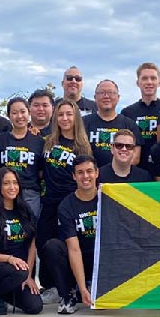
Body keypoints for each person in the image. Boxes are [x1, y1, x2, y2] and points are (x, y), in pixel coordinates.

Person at [38, 100, 91, 289]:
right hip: (50, 201)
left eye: (69, 114)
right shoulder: (48, 140)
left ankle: (72, 285)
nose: (65, 118)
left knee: (67, 245)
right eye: (61, 115)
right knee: (43, 242)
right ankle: (50, 286)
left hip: (69, 203)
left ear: (75, 117)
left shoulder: (82, 145)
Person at [0, 168, 44, 315]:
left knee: (35, 307)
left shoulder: (25, 211)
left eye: (15, 183)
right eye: (6, 183)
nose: (12, 187)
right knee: (19, 271)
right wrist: (10, 259)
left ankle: (2, 294)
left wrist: (29, 276)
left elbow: (33, 244)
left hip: (20, 271)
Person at [41, 155, 100, 314]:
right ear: (74, 176)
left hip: (101, 260)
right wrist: (81, 287)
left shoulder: (107, 198)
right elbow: (74, 249)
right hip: (78, 258)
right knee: (52, 247)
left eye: (89, 171)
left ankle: (97, 286)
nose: (85, 176)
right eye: (80, 172)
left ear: (97, 173)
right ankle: (69, 294)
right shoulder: (66, 206)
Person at [0, 97, 45, 215]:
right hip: (5, 192)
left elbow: (41, 170)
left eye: (23, 112)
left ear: (29, 113)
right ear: (8, 116)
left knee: (30, 229)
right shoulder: (0, 139)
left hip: (30, 193)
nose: (19, 116)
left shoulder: (38, 141)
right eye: (14, 113)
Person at [83, 79, 139, 166]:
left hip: (120, 177)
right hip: (91, 177)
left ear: (118, 97)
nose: (106, 96)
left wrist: (114, 172)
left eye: (111, 92)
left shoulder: (130, 125)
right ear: (95, 97)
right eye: (101, 92)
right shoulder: (83, 123)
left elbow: (135, 157)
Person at [122, 62, 160, 159]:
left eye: (153, 78)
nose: (149, 82)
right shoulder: (127, 112)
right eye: (144, 78)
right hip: (136, 167)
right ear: (138, 83)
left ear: (159, 82)